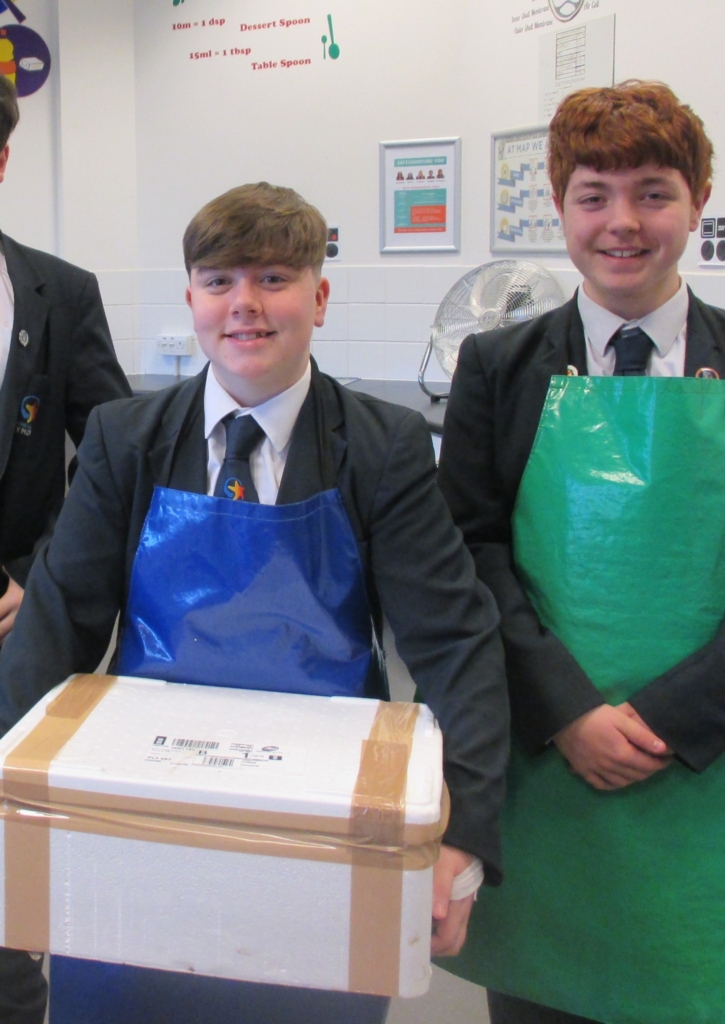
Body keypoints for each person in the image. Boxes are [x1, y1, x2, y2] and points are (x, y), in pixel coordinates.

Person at [0, 181, 509, 1024]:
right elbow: (54, 625)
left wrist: (465, 834)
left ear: (319, 295)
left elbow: (456, 643)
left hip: (323, 839)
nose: (245, 306)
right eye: (218, 281)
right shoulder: (126, 440)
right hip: (138, 825)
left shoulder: (381, 450)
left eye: (273, 278)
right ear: (191, 296)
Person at [437, 80, 725, 1024]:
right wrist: (571, 712)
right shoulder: (498, 369)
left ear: (697, 202)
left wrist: (670, 717)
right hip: (547, 768)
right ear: (561, 207)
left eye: (653, 192)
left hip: (716, 768)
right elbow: (472, 553)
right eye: (594, 195)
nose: (623, 222)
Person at [0, 74, 131, 1023]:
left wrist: (39, 573)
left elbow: (112, 458)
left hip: (14, 641)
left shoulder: (59, 293)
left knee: (7, 903)